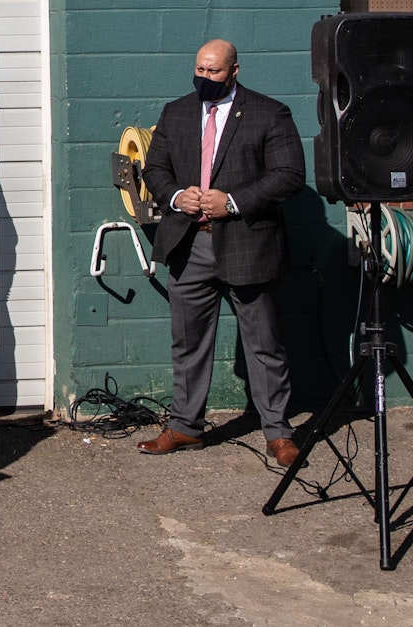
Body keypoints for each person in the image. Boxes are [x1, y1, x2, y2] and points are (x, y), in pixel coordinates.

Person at [137, 39, 305, 466]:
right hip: (189, 244)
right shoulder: (176, 112)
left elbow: (289, 175)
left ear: (234, 71)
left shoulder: (270, 113)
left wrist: (232, 202)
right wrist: (176, 197)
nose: (204, 78)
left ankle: (278, 433)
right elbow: (155, 169)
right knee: (188, 341)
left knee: (263, 344)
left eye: (213, 71)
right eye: (198, 69)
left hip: (247, 243)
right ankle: (184, 427)